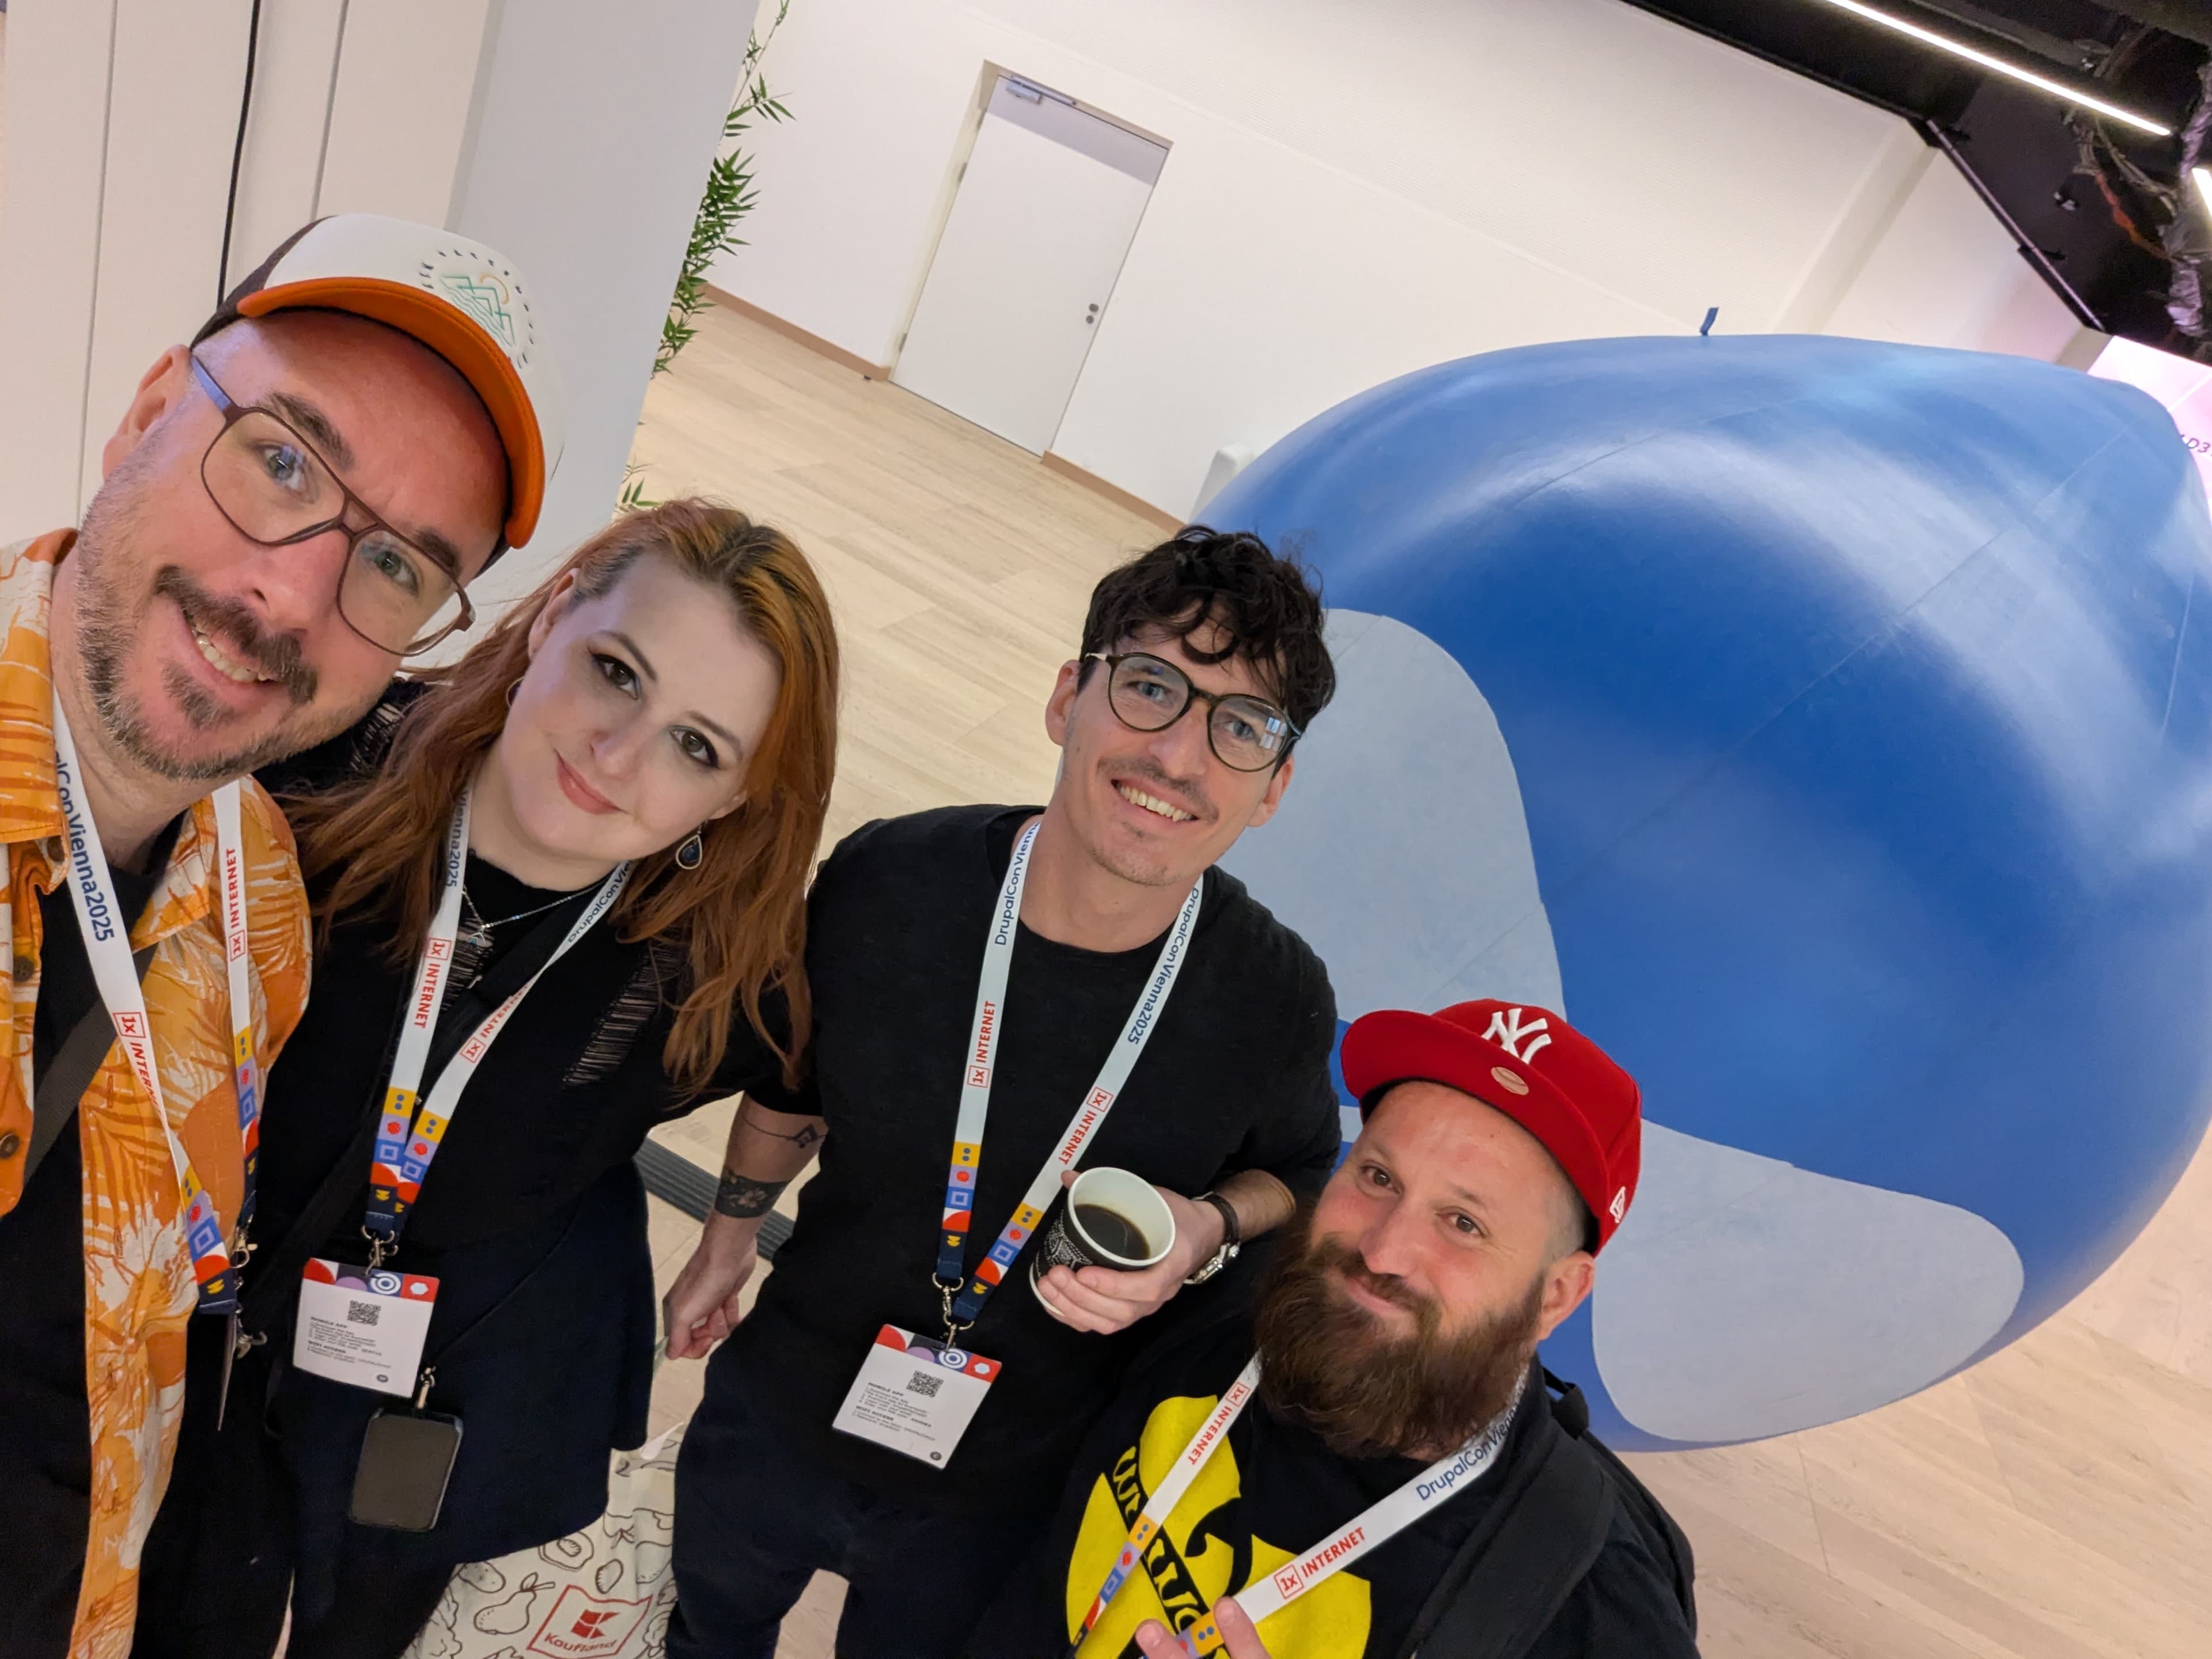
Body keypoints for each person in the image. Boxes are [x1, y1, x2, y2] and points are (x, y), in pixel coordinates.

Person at [125, 500, 840, 1659]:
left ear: (739, 797)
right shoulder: (303, 774)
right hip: (198, 1324)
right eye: (616, 672)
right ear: (554, 613)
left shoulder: (710, 967)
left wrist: (731, 1229)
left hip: (452, 1369)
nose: (619, 755)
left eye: (697, 745)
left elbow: (805, 1068)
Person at [0, 213, 559, 1659]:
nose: (289, 591)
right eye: (282, 460)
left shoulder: (254, 876)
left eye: (396, 569)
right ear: (145, 411)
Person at [664, 527, 1346, 1658]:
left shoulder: (1274, 996)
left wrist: (1208, 1223)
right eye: (1149, 687)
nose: (1180, 754)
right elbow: (796, 1078)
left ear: (1273, 787)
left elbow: (1303, 1169)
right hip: (788, 1396)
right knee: (708, 1632)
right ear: (1067, 696)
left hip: (1013, 1483)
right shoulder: (890, 880)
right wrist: (728, 1239)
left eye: (1241, 726)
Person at [965, 998, 1700, 1659]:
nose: (1382, 1251)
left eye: (1464, 1223)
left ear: (1557, 1295)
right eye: (1379, 1178)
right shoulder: (1231, 1308)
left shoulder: (1584, 1601)